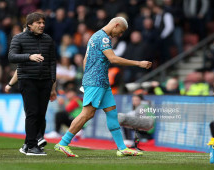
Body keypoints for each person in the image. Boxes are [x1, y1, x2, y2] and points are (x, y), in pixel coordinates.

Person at [54, 17, 152, 157]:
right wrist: (138, 63)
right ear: (116, 25)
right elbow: (113, 59)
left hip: (100, 82)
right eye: (120, 31)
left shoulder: (94, 36)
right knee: (87, 113)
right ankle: (63, 143)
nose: (119, 34)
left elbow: (85, 59)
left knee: (112, 112)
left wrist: (86, 77)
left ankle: (122, 148)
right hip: (96, 81)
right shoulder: (104, 38)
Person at [8, 12, 57, 156]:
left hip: (45, 81)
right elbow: (11, 57)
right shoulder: (18, 38)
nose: (42, 25)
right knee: (32, 113)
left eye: (43, 23)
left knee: (41, 115)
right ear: (30, 25)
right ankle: (31, 147)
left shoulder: (48, 39)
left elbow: (52, 61)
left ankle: (27, 145)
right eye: (38, 23)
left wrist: (52, 82)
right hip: (27, 80)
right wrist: (29, 56)